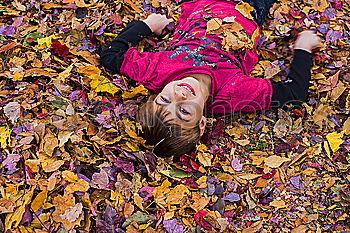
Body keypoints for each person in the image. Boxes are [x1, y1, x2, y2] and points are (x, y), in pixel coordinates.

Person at [100, 0, 322, 157]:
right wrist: (303, 49)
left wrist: (147, 26)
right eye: (184, 111)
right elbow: (294, 94)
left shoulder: (157, 71)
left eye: (165, 100)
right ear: (202, 123)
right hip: (248, 8)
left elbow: (110, 56)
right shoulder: (233, 93)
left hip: (200, 4)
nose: (178, 95)